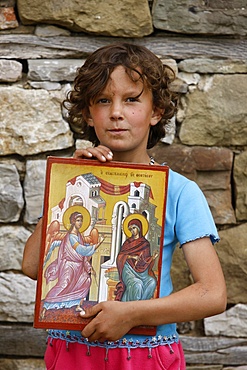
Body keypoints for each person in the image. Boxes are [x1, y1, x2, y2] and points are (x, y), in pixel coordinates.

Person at [22, 42, 227, 370]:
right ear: (89, 113)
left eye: (132, 99)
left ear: (156, 111)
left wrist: (132, 312)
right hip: (73, 353)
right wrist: (65, 185)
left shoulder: (179, 192)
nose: (116, 112)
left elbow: (213, 294)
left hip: (145, 357)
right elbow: (33, 266)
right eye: (103, 100)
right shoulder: (73, 185)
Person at [41, 211, 103, 318]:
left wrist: (88, 268)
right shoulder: (71, 236)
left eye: (81, 221)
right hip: (69, 266)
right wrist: (97, 245)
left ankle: (77, 304)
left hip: (79, 266)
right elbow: (81, 250)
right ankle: (45, 306)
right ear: (73, 222)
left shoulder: (79, 235)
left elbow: (82, 257)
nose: (80, 223)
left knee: (86, 281)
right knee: (64, 284)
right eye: (78, 220)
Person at [115, 217, 158, 302]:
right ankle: (133, 306)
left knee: (152, 281)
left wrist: (153, 258)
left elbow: (146, 261)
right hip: (128, 270)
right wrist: (131, 257)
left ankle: (141, 305)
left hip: (142, 272)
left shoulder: (145, 244)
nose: (132, 231)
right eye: (130, 229)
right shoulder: (127, 243)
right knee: (137, 284)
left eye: (134, 228)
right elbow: (120, 257)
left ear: (139, 228)